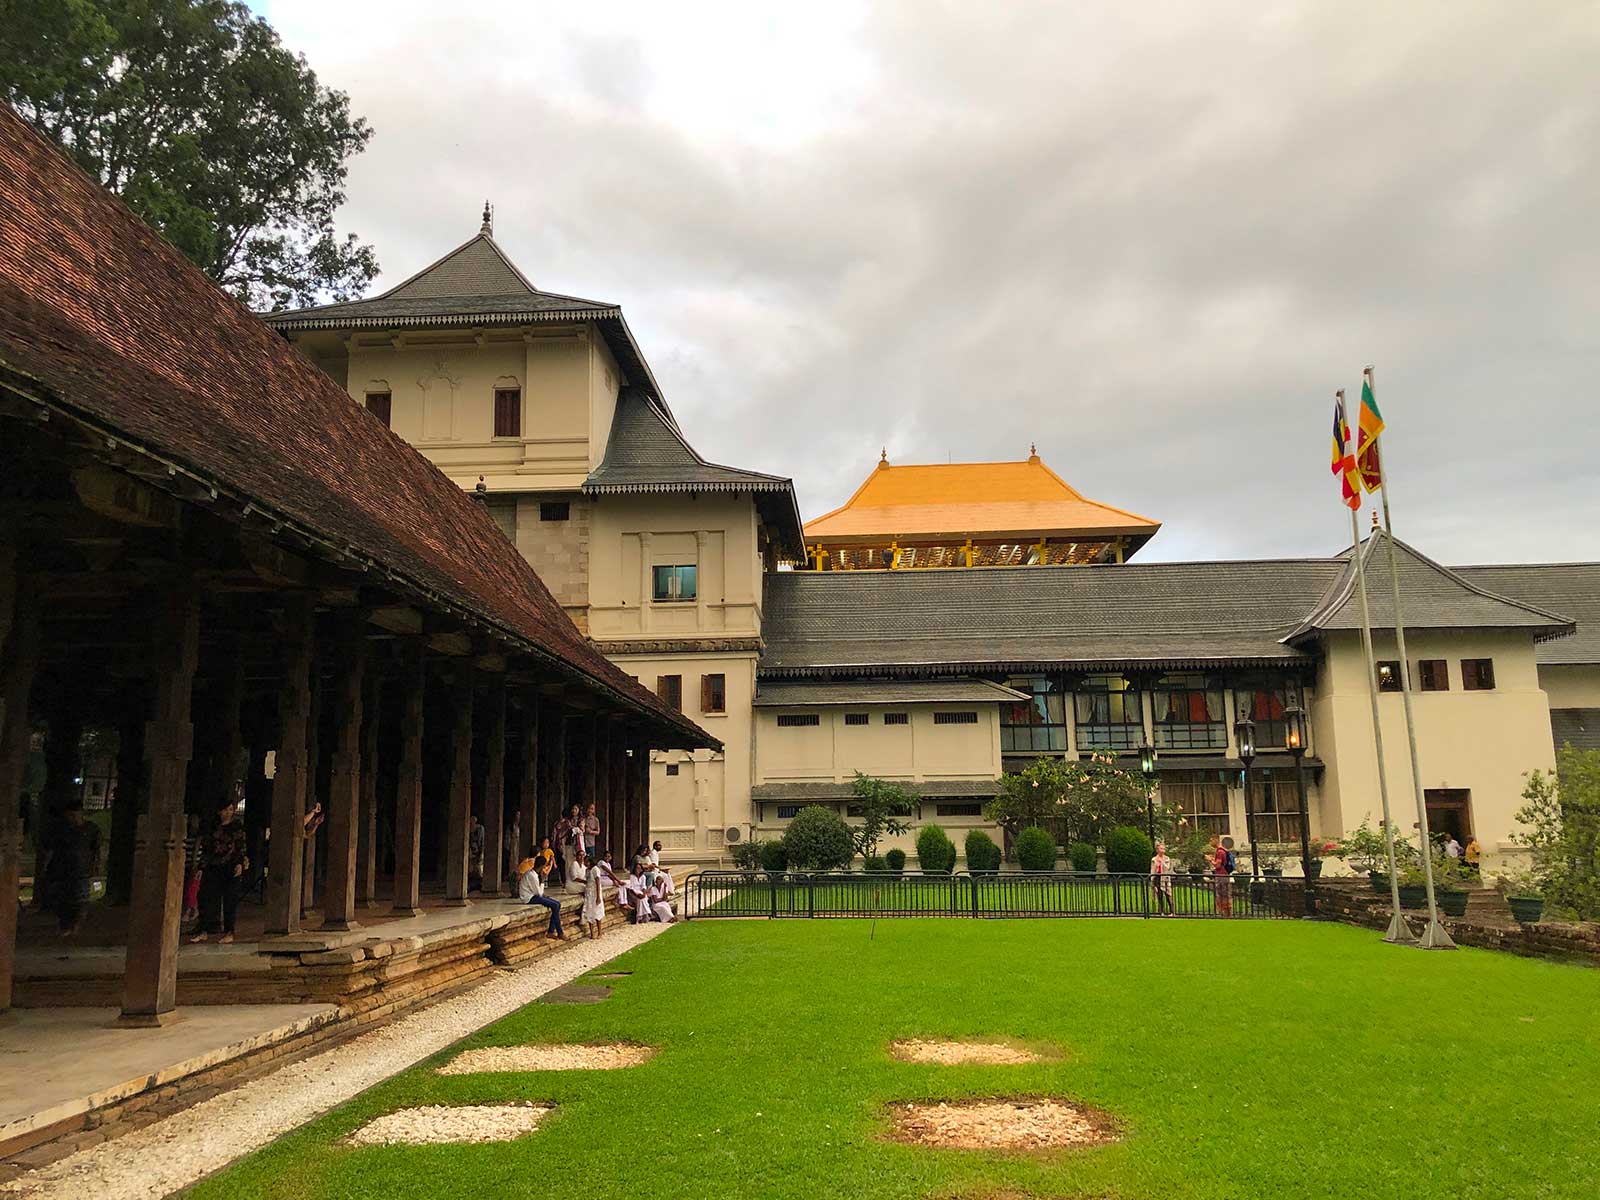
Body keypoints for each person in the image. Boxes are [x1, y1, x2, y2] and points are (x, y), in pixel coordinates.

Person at [191, 793, 249, 943]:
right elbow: (207, 848)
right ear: (219, 811)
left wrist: (240, 864)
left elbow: (240, 846)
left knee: (230, 900)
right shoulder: (212, 827)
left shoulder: (236, 826)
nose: (228, 812)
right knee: (207, 898)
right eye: (225, 809)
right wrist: (201, 867)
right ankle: (203, 929)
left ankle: (229, 932)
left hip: (231, 867)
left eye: (230, 809)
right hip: (213, 866)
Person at [45, 804, 100, 935]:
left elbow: (95, 849)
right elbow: (51, 849)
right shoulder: (61, 830)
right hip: (62, 870)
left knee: (81, 899)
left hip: (81, 871)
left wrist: (94, 866)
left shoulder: (91, 829)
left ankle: (75, 926)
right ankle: (65, 925)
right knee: (61, 899)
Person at [516, 839, 566, 940]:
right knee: (555, 905)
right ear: (541, 866)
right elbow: (539, 893)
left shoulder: (533, 874)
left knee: (557, 905)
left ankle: (552, 931)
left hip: (533, 895)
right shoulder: (532, 876)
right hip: (529, 898)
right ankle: (558, 932)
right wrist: (542, 880)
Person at [580, 848, 605, 939]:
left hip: (595, 892)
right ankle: (592, 933)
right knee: (589, 911)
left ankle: (599, 932)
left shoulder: (595, 869)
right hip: (589, 892)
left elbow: (598, 883)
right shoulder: (587, 870)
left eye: (587, 862)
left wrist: (598, 896)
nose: (585, 863)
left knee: (597, 911)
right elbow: (587, 881)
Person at [1149, 840, 1175, 915]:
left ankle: (1172, 911)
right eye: (1161, 849)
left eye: (1164, 849)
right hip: (1157, 877)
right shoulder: (1154, 859)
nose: (1163, 850)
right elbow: (1152, 869)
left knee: (1168, 894)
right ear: (1157, 850)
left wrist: (1162, 862)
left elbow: (1168, 867)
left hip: (1165, 878)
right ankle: (1161, 911)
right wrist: (1152, 878)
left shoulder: (1167, 858)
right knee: (1159, 894)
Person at [1211, 835, 1233, 916]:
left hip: (1222, 876)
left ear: (1216, 840)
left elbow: (1217, 865)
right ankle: (1225, 913)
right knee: (1224, 894)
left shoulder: (1220, 852)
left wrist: (1210, 860)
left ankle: (1226, 913)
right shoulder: (1222, 851)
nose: (1210, 843)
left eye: (1211, 840)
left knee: (1223, 894)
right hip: (1223, 875)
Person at [468, 813, 485, 892]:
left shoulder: (480, 829)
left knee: (478, 868)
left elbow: (481, 841)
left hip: (478, 850)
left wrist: (481, 852)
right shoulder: (469, 829)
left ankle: (479, 884)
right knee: (471, 868)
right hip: (471, 850)